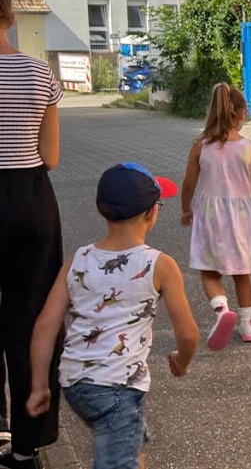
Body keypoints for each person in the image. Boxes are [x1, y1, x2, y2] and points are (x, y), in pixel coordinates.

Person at [26, 163, 199, 469]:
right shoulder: (160, 265)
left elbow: (44, 326)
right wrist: (182, 360)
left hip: (75, 384)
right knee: (119, 455)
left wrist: (40, 386)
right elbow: (187, 334)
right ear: (151, 213)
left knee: (131, 440)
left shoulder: (77, 260)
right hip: (116, 389)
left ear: (99, 209)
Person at [0, 0, 63, 469]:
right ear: (9, 16)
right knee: (33, 320)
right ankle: (27, 443)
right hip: (30, 198)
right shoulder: (40, 73)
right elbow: (52, 157)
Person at [180, 83, 251, 350]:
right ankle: (247, 325)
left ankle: (222, 309)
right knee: (242, 272)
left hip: (210, 217)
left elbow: (189, 183)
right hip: (242, 219)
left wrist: (186, 208)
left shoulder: (201, 147)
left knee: (209, 269)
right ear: (243, 113)